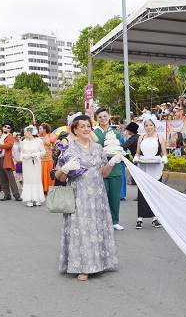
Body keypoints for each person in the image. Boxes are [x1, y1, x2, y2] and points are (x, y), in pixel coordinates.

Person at [54, 114, 122, 281]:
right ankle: (82, 267)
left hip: (98, 197)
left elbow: (103, 173)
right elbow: (59, 177)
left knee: (97, 228)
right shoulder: (69, 150)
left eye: (88, 126)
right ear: (74, 130)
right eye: (82, 126)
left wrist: (112, 163)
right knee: (82, 230)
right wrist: (65, 168)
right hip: (79, 196)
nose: (86, 129)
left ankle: (99, 263)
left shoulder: (98, 148)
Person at [133, 116, 167, 229]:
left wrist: (163, 159)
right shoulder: (141, 138)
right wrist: (136, 157)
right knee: (142, 193)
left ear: (154, 126)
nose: (149, 127)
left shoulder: (160, 137)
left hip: (156, 169)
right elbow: (138, 152)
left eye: (151, 125)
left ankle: (154, 217)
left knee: (155, 193)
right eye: (146, 125)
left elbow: (164, 153)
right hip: (143, 168)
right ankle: (140, 218)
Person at [93, 107, 123, 230]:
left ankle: (115, 220)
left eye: (105, 116)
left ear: (109, 116)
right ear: (97, 119)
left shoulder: (115, 133)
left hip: (115, 169)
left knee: (115, 197)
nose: (103, 119)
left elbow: (119, 148)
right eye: (100, 117)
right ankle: (101, 221)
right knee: (101, 198)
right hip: (102, 170)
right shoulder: (95, 133)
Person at [0, 121, 22, 202]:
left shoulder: (11, 136)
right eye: (5, 126)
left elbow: (9, 145)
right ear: (3, 127)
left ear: (10, 129)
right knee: (2, 178)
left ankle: (16, 195)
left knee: (10, 178)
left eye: (8, 127)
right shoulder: (1, 136)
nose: (6, 128)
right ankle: (7, 194)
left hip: (6, 159)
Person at [20, 126, 45, 207]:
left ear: (29, 132)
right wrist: (24, 156)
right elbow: (21, 152)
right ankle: (29, 199)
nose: (24, 133)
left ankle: (37, 199)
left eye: (25, 132)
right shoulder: (24, 141)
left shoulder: (38, 141)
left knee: (36, 179)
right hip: (27, 163)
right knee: (28, 180)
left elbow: (43, 152)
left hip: (36, 163)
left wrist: (37, 154)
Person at [38, 123, 55, 194]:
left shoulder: (50, 136)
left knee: (48, 174)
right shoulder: (38, 137)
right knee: (41, 173)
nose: (39, 130)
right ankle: (42, 189)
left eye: (40, 129)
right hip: (41, 157)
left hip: (48, 157)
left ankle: (49, 189)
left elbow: (54, 144)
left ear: (44, 130)